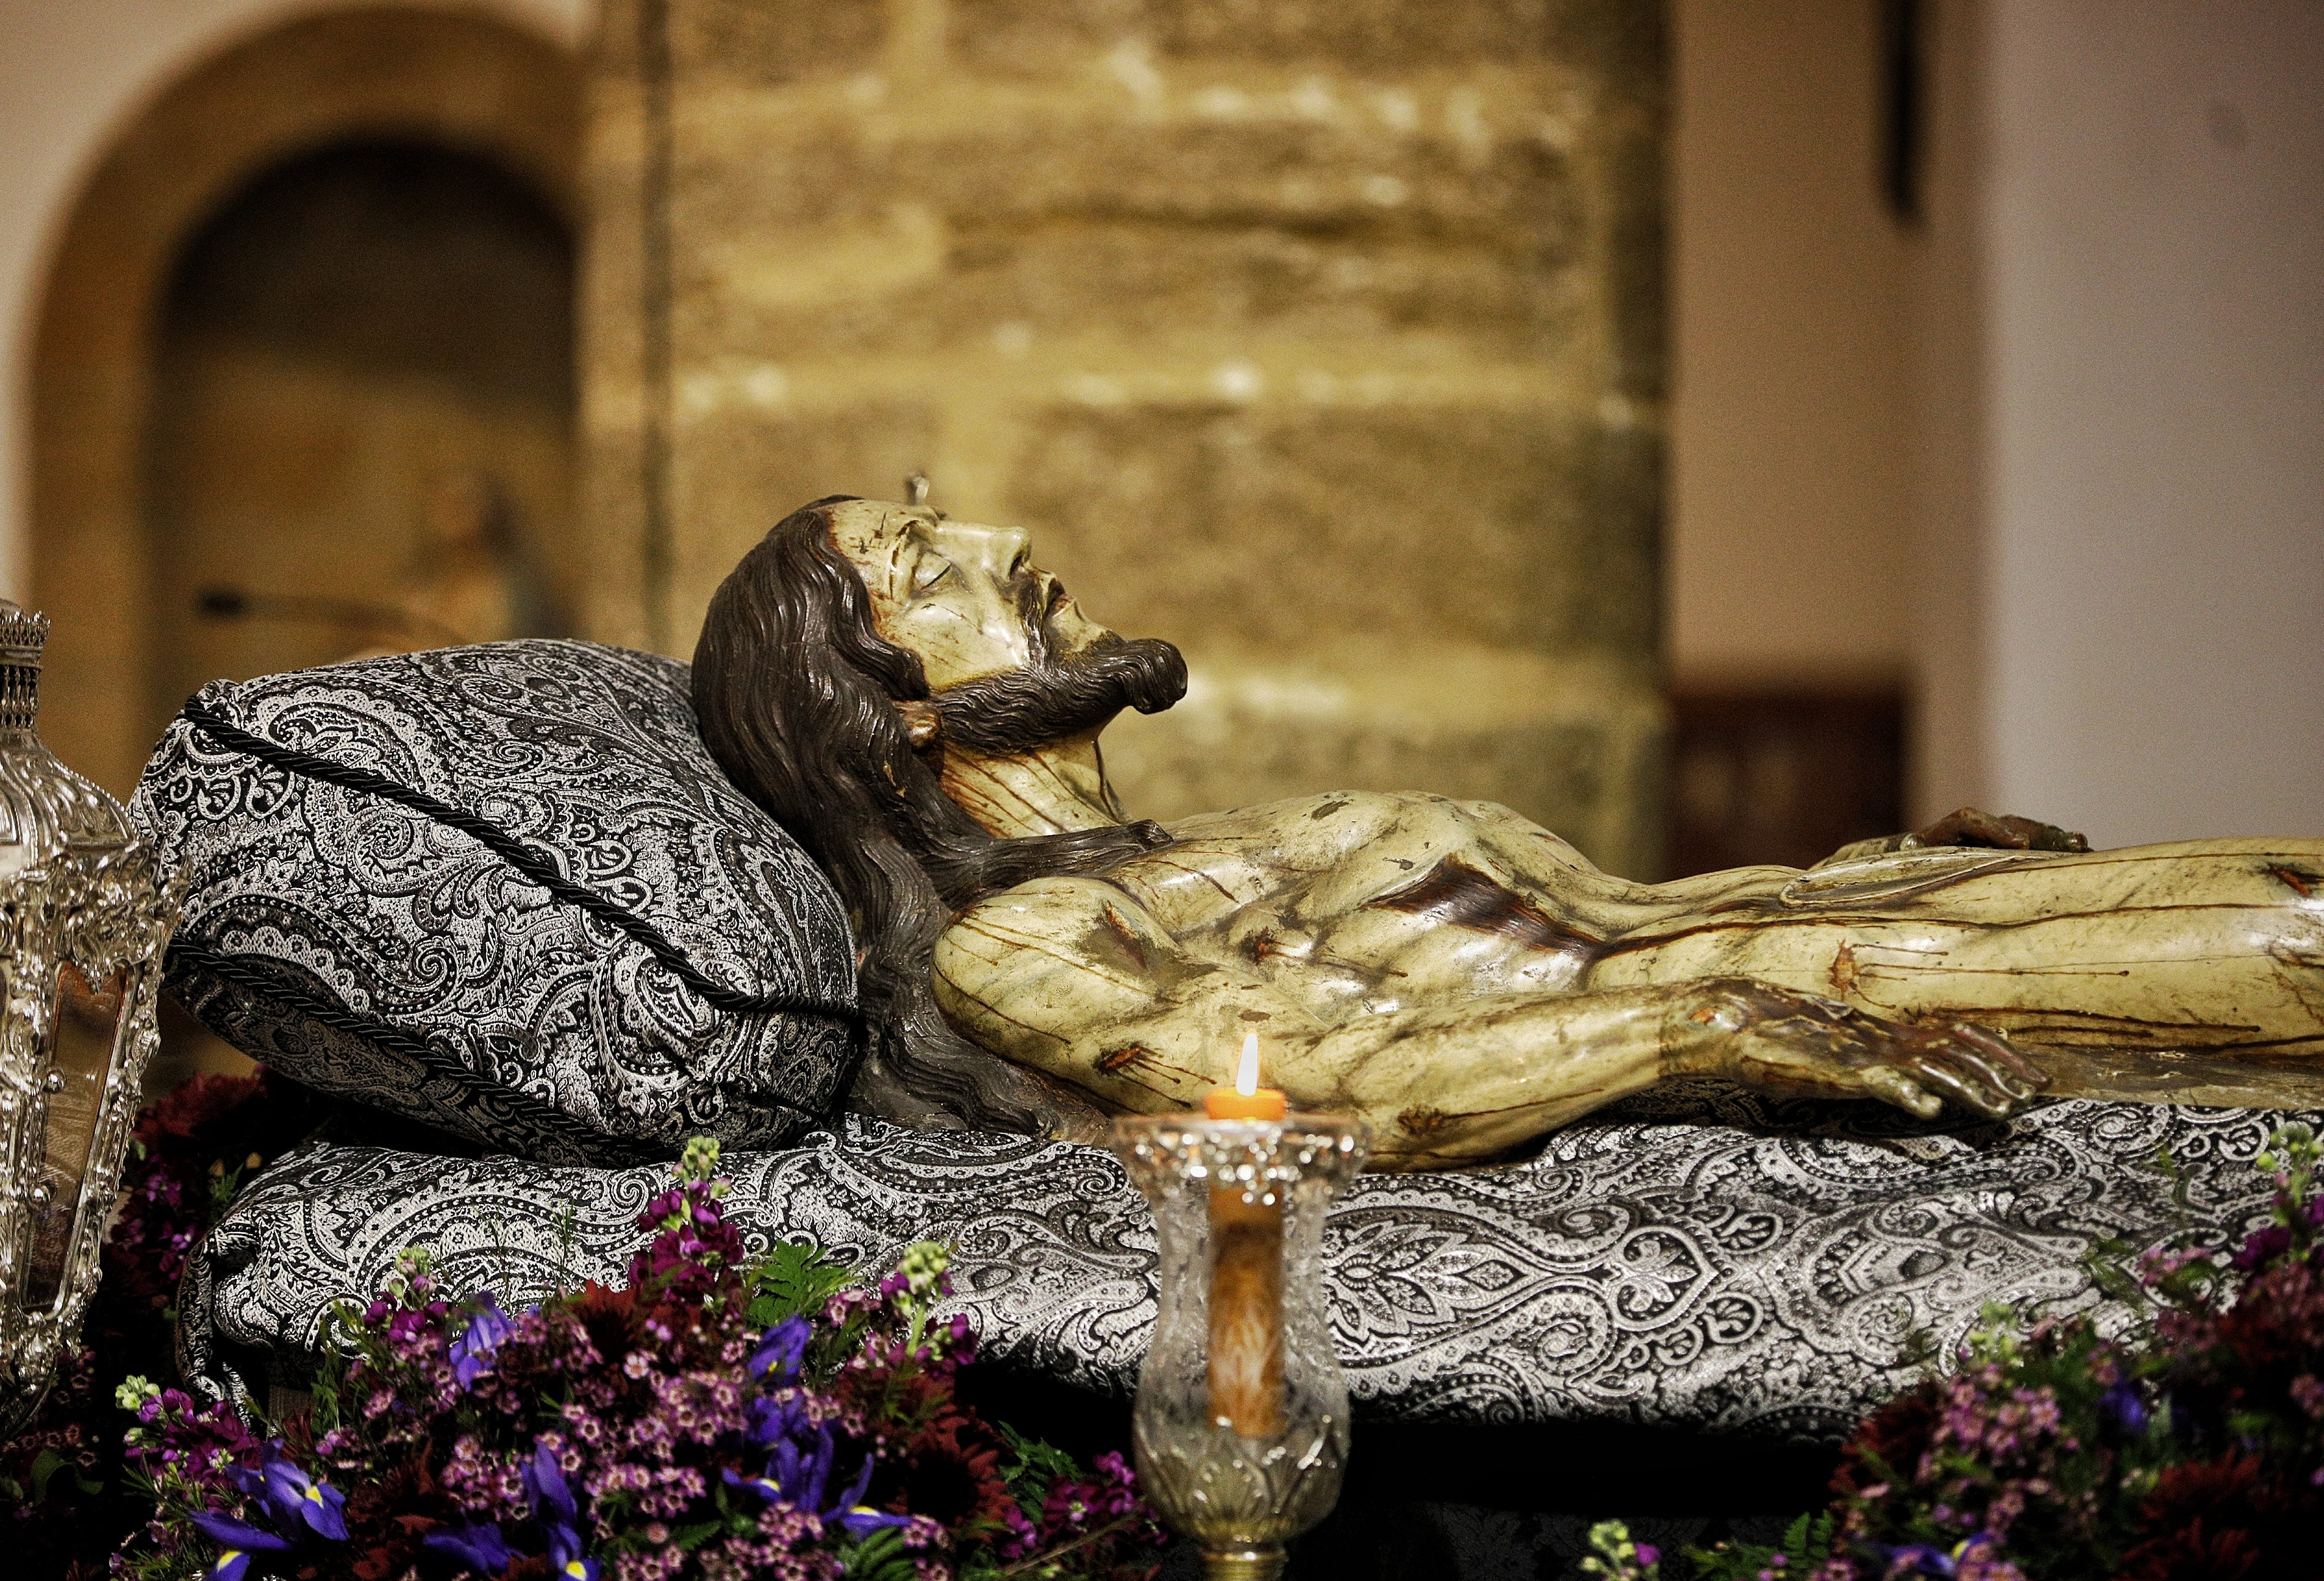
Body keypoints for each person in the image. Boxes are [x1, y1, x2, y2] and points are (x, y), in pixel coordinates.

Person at [691, 491, 2324, 1169]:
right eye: (934, 566)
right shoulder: (1018, 946)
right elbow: (1337, 1088)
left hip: (1856, 924)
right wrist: (1697, 1021)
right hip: (1844, 984)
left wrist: (1865, 868)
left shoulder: (1188, 852)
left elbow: (1597, 918)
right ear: (900, 714)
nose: (1006, 536)